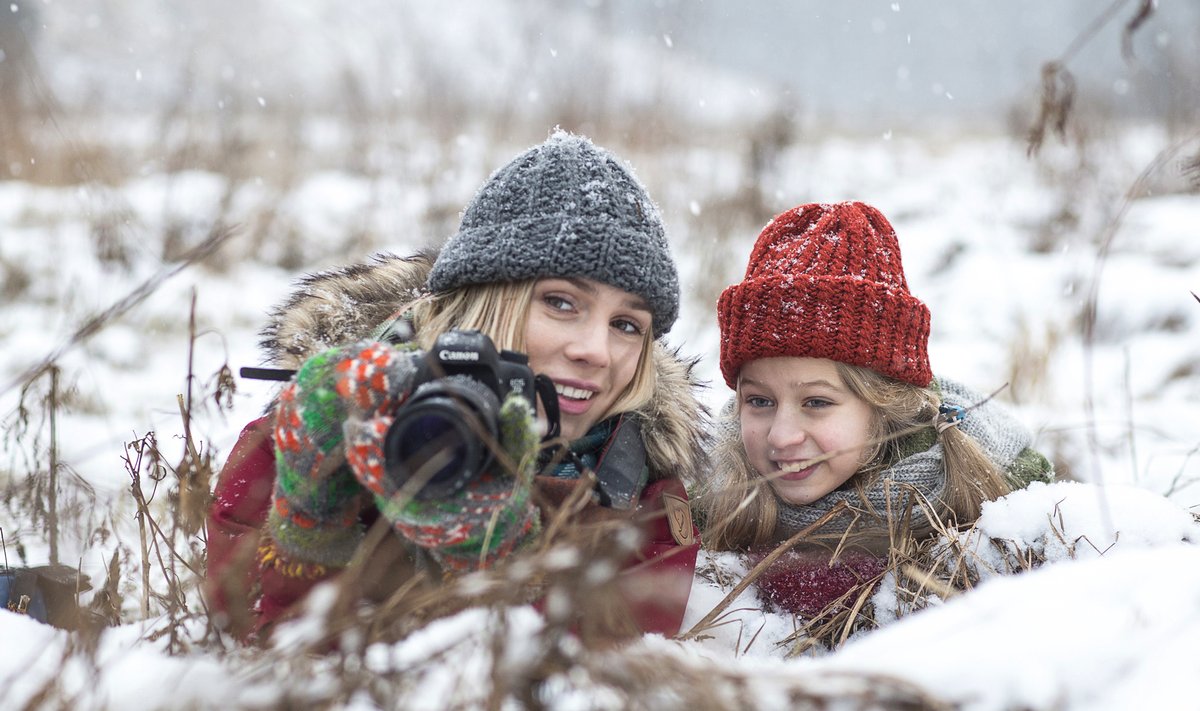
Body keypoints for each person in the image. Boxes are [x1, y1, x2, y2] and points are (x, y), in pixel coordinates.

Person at [205, 131, 706, 644]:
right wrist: (314, 515)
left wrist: (493, 557)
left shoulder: (643, 493)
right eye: (561, 303)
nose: (596, 351)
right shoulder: (315, 428)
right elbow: (257, 648)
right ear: (484, 303)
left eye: (627, 325)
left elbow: (601, 672)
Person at [699, 201, 1053, 623]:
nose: (781, 436)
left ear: (885, 404)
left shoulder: (1003, 494)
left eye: (816, 403)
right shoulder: (705, 491)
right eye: (759, 401)